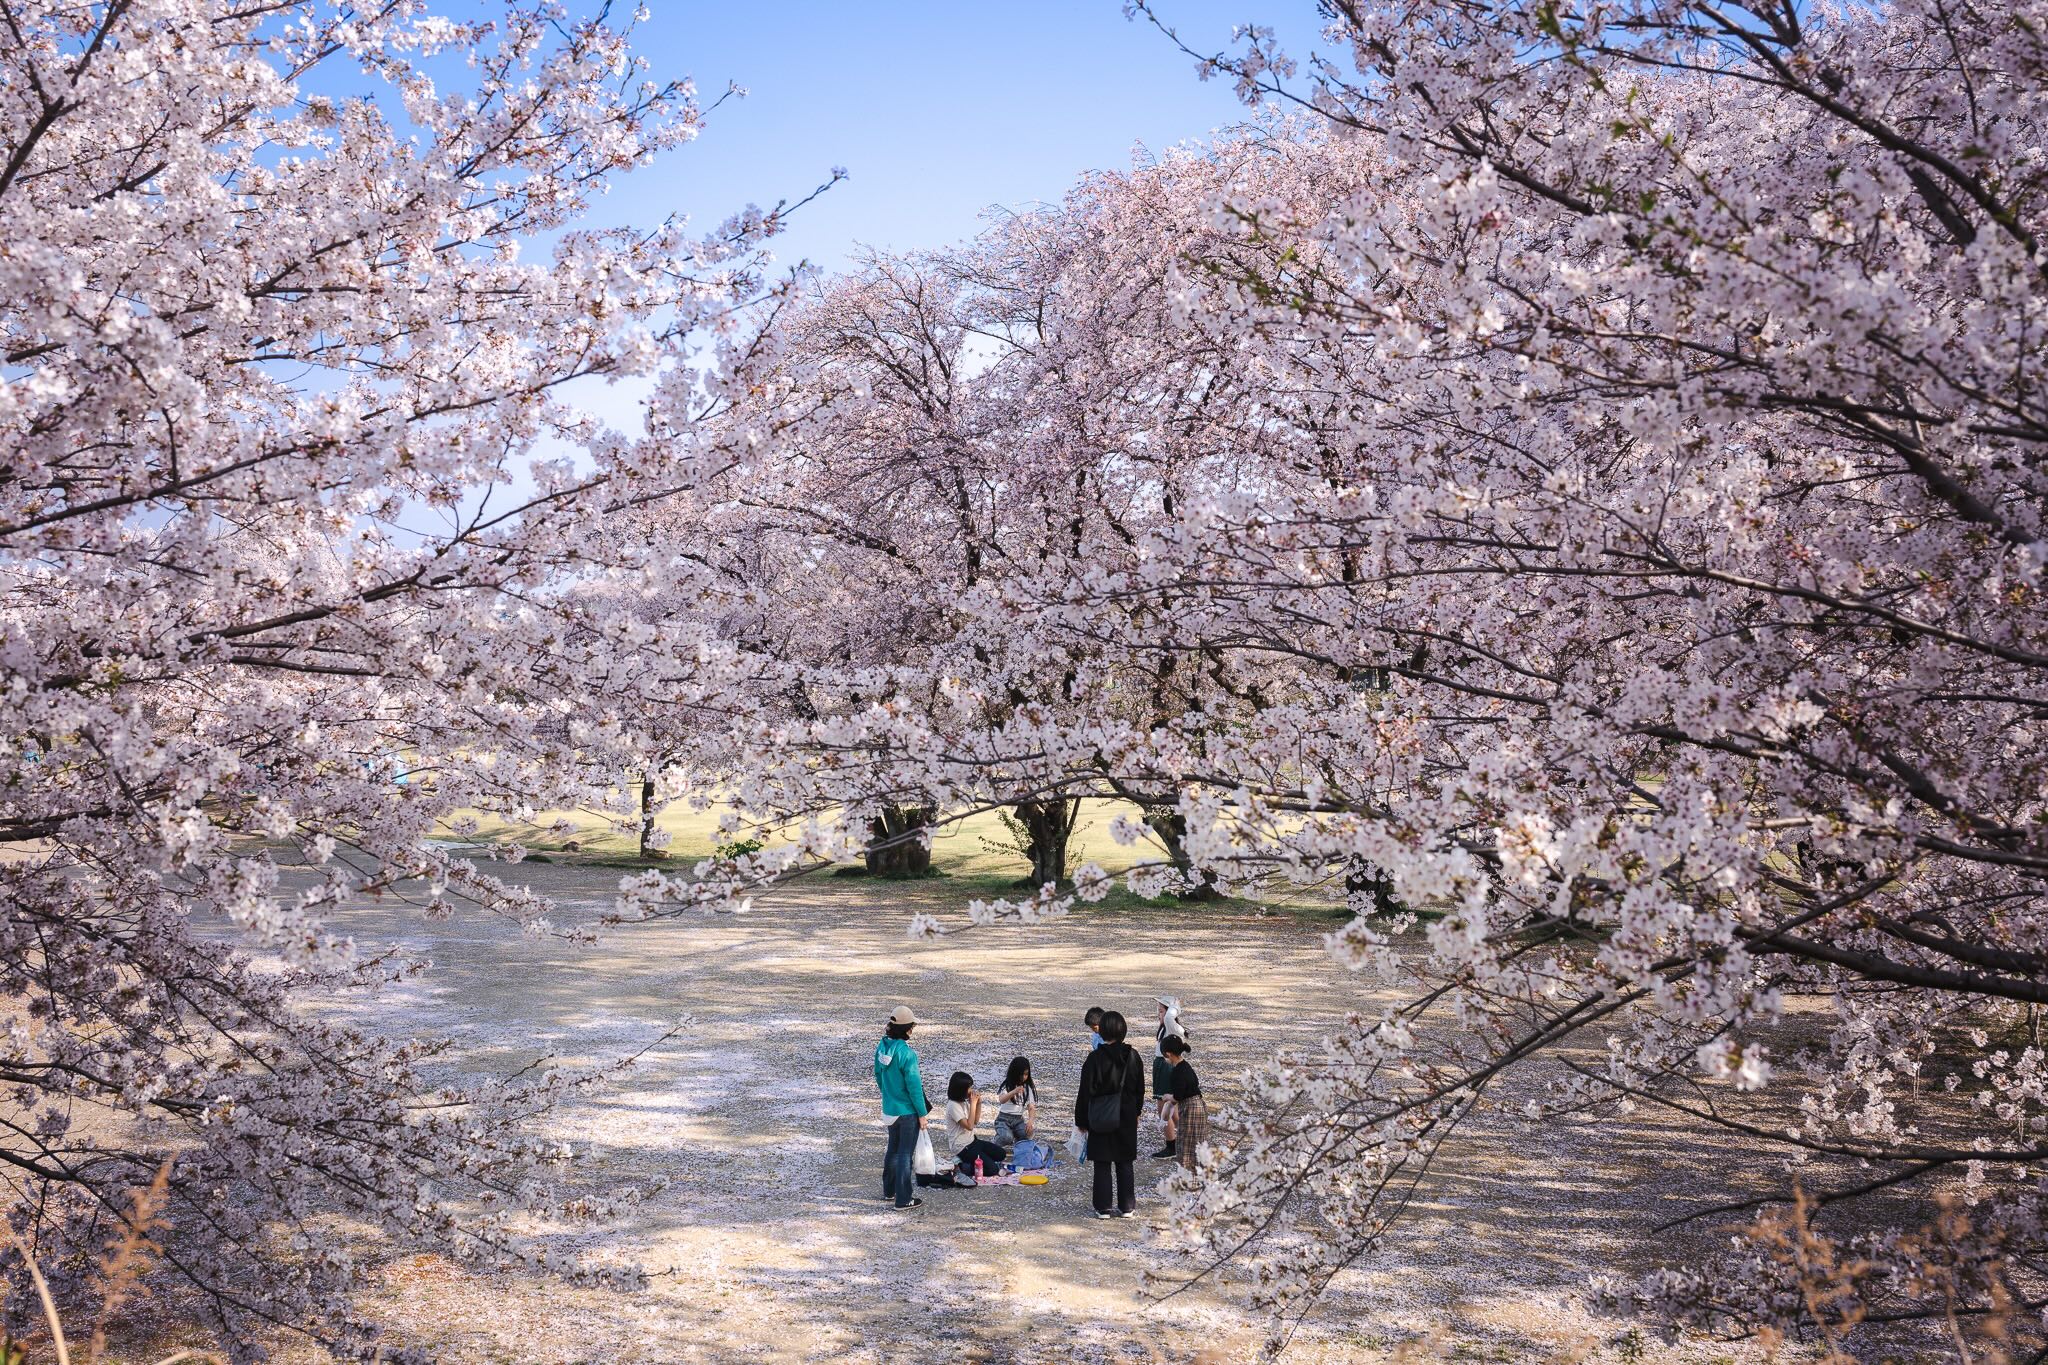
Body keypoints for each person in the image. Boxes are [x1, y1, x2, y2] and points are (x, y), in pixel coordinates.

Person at [1073, 1009, 1145, 1217]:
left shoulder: (1094, 1059)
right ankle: (1127, 1205)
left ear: (1102, 1031)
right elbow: (1139, 1088)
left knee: (1102, 1162)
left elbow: (1085, 1092)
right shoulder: (1133, 1056)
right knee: (1125, 1161)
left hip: (1100, 1115)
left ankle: (1103, 1206)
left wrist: (1081, 1120)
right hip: (1126, 1113)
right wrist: (1137, 1111)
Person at [873, 1005, 930, 1209]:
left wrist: (888, 1094)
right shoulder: (907, 1054)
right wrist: (922, 1114)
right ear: (907, 1029)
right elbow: (914, 1088)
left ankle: (889, 1190)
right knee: (905, 1154)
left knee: (893, 1150)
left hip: (889, 1109)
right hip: (906, 1112)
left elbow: (878, 1075)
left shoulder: (882, 1048)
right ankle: (904, 1199)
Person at [943, 1071, 1011, 1183]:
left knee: (1001, 1154)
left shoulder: (963, 1102)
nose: (971, 1090)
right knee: (993, 1169)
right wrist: (973, 1104)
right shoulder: (953, 1106)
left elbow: (975, 1121)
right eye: (969, 1088)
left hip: (973, 1142)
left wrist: (978, 1103)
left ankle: (974, 1160)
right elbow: (969, 1126)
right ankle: (963, 1166)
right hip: (962, 1147)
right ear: (961, 1090)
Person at [1162, 1034, 1207, 1171]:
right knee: (1198, 1142)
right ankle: (1201, 1174)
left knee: (1186, 1144)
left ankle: (1189, 1176)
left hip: (1190, 1108)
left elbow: (1178, 1096)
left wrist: (1167, 1097)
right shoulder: (1186, 1065)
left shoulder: (1177, 1072)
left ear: (1168, 1054)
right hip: (1199, 1105)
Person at [1151, 996, 1188, 1158]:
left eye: (1161, 1011)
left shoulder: (1172, 1026)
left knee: (1164, 1108)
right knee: (1172, 1109)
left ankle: (1172, 1145)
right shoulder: (1167, 1028)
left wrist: (1175, 1006)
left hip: (1166, 1068)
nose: (1158, 1015)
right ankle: (1185, 1140)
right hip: (1162, 1065)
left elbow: (1168, 1017)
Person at [993, 1056, 1038, 1147]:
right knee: (1006, 1137)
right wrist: (1014, 1092)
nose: (1023, 1077)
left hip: (1018, 1120)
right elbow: (1002, 1100)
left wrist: (1030, 1121)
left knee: (1027, 1134)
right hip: (1003, 1119)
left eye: (1026, 1074)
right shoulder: (1007, 1085)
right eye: (1021, 1075)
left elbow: (1031, 1107)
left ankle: (1018, 1145)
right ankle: (995, 1143)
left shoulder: (1027, 1088)